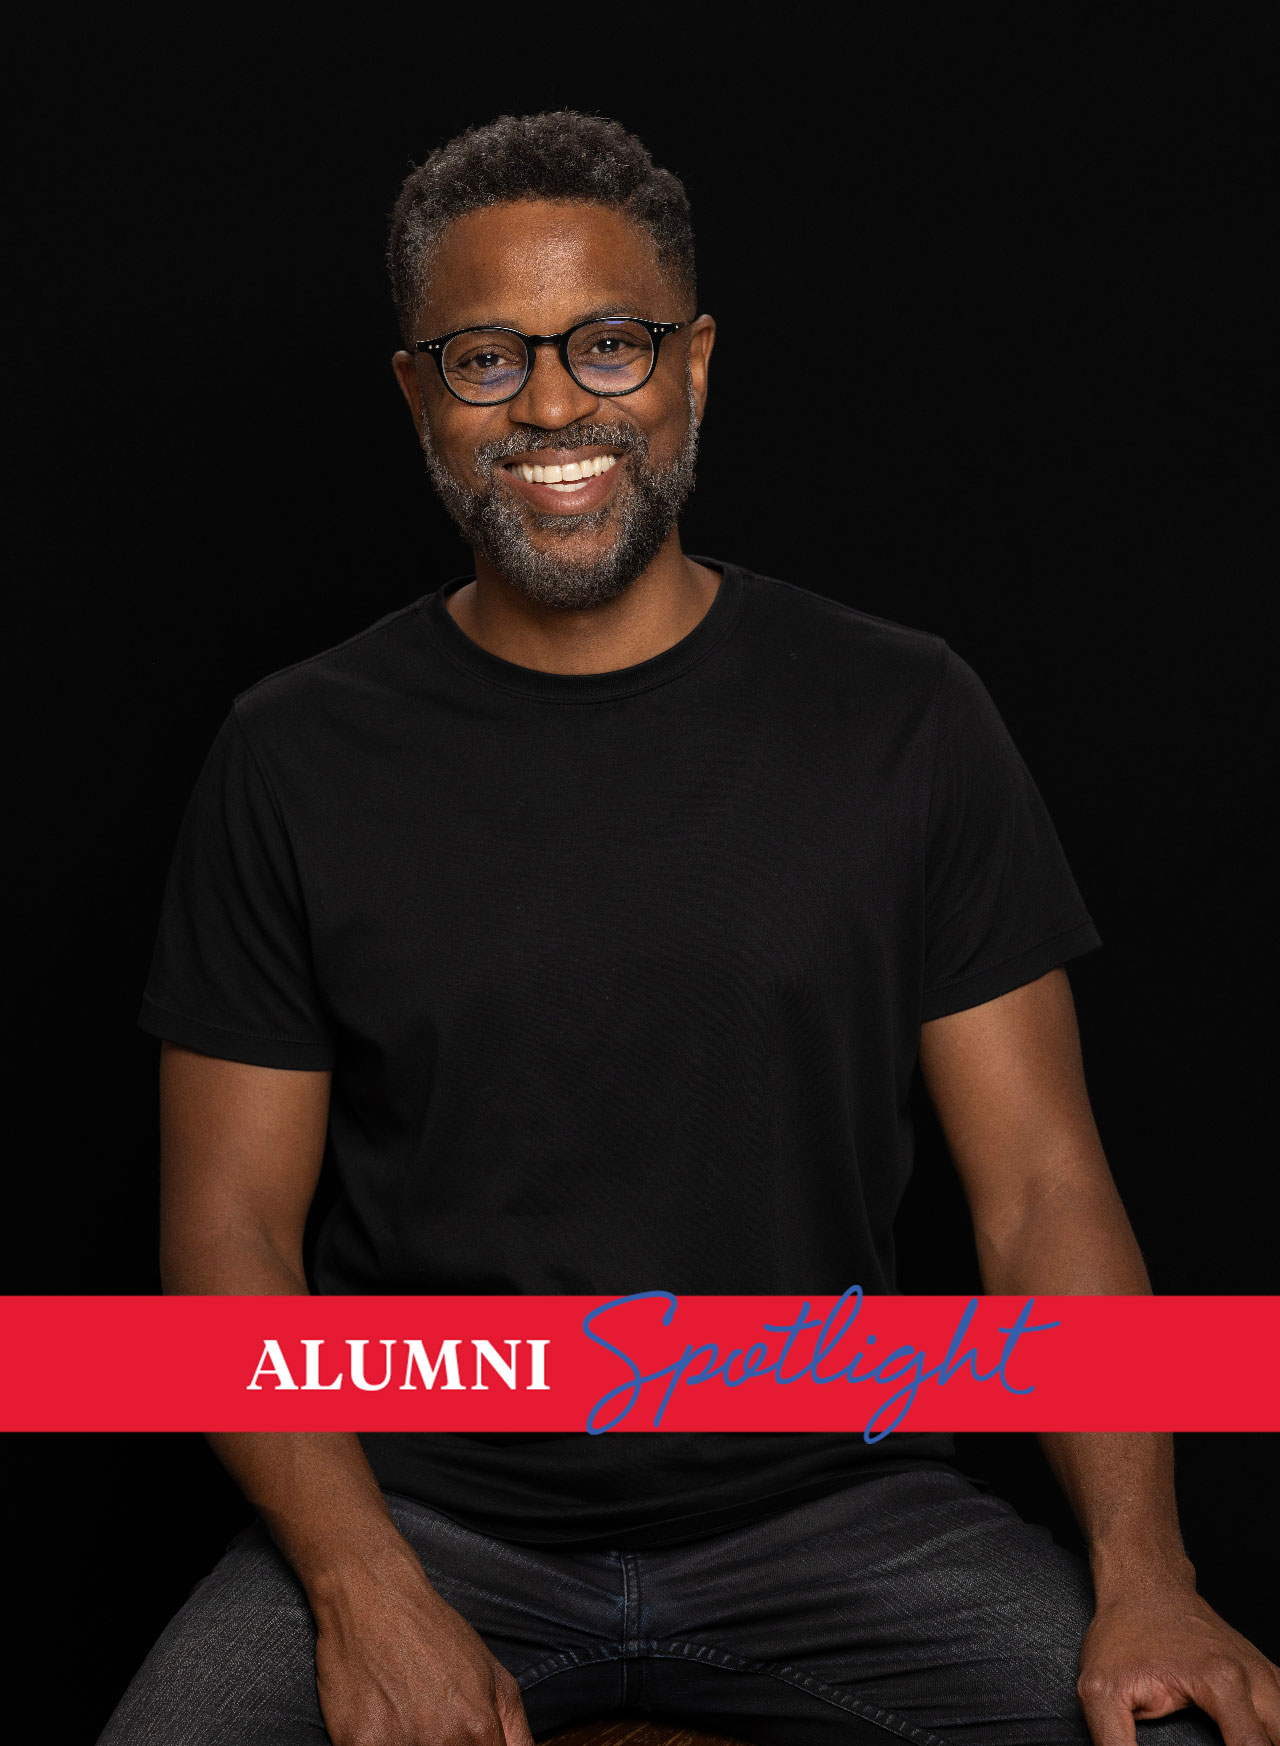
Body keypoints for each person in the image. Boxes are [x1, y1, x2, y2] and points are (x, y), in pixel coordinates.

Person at [101, 111, 1277, 1746]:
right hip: (426, 1515)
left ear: (696, 365)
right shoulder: (290, 753)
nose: (559, 403)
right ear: (418, 398)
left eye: (609, 341)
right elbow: (225, 1236)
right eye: (487, 360)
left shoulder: (902, 714)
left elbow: (1042, 1193)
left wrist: (1147, 1568)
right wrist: (368, 1587)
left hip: (837, 1516)